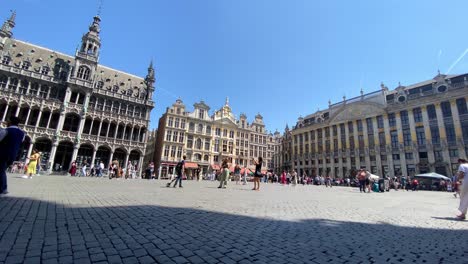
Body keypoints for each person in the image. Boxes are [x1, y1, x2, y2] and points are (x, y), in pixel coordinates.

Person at [0, 116, 25, 194]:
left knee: (1, 171)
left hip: (2, 153)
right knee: (2, 170)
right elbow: (20, 142)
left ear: (10, 122)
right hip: (13, 155)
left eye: (7, 121)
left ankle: (3, 188)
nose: (6, 122)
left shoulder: (6, 130)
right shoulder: (22, 133)